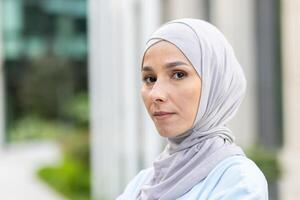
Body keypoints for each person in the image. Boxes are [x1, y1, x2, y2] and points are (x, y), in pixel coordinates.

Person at [117, 18, 268, 200]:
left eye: (178, 74)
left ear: (215, 83)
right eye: (150, 79)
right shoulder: (143, 183)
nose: (156, 94)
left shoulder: (238, 181)